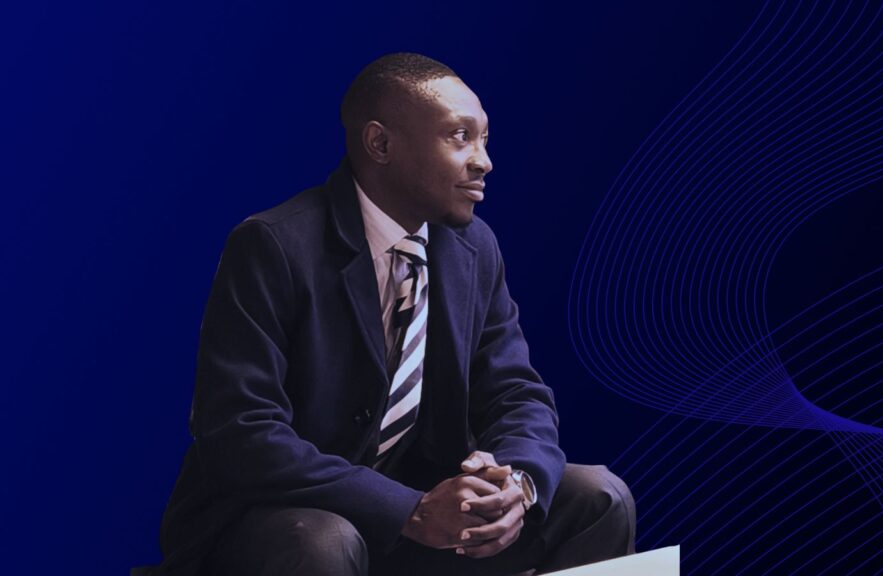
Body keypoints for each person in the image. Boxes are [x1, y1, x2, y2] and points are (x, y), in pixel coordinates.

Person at [151, 52, 635, 576]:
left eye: (485, 139)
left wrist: (515, 482)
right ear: (380, 144)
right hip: (282, 521)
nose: (483, 161)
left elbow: (517, 392)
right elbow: (240, 431)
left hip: (426, 511)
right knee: (323, 540)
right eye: (459, 137)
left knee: (599, 496)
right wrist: (408, 509)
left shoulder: (474, 247)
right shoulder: (273, 245)